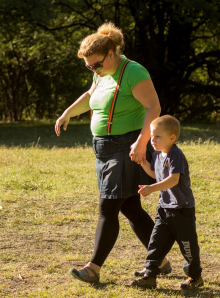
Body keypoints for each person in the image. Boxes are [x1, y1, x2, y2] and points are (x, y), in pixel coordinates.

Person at [54, 22, 172, 283]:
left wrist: (142, 142)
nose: (93, 70)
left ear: (110, 54)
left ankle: (93, 268)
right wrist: (67, 114)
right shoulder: (101, 72)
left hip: (126, 147)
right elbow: (90, 94)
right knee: (130, 206)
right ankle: (161, 260)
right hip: (103, 149)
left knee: (108, 207)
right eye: (89, 67)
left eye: (96, 64)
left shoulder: (133, 72)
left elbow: (154, 107)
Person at [129, 115, 204, 290]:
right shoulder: (157, 155)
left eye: (157, 137)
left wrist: (151, 189)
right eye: (152, 136)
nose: (153, 140)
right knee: (155, 243)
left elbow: (173, 180)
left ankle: (195, 277)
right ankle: (150, 276)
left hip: (181, 210)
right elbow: (156, 174)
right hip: (164, 209)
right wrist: (143, 162)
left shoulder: (175, 155)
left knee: (188, 246)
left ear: (172, 137)